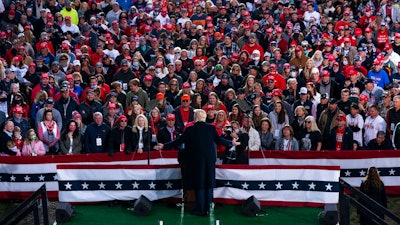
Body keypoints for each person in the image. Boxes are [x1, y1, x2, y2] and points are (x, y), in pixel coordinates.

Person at [155, 109, 236, 216]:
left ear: (196, 118)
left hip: (196, 160)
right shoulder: (211, 128)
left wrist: (164, 146)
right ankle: (207, 208)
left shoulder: (190, 129)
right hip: (210, 160)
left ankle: (200, 209)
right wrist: (232, 143)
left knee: (200, 184)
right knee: (208, 183)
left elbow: (178, 142)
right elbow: (219, 140)